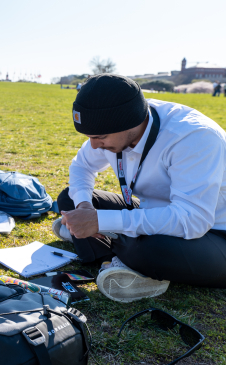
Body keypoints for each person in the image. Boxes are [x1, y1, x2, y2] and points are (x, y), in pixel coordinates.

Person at [52, 74, 226, 304]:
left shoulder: (193, 138)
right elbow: (81, 167)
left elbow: (192, 220)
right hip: (158, 213)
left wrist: (100, 221)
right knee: (70, 198)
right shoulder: (119, 119)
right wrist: (84, 207)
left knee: (153, 249)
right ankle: (116, 256)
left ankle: (110, 247)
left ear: (131, 123)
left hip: (212, 232)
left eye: (100, 137)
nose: (93, 145)